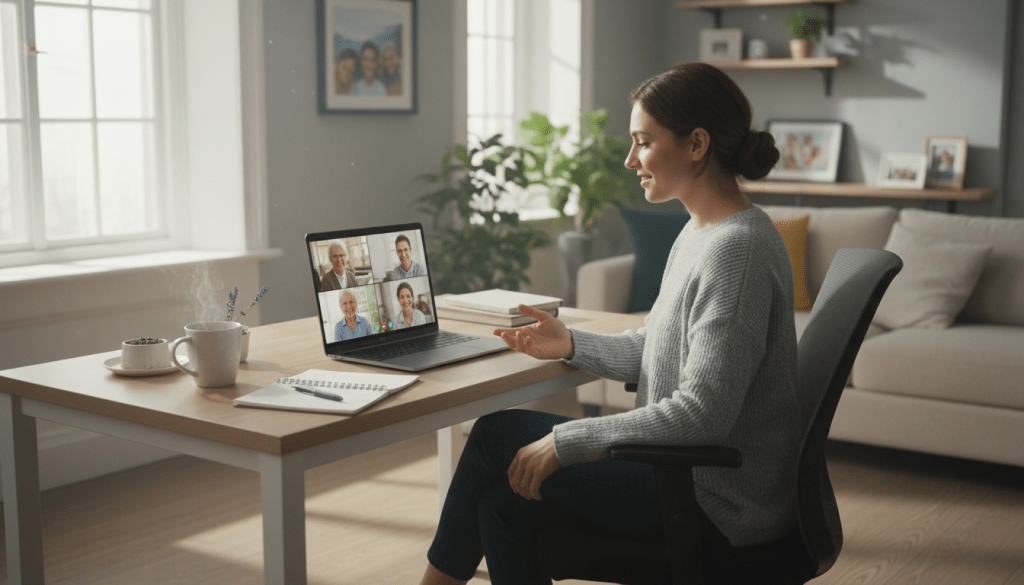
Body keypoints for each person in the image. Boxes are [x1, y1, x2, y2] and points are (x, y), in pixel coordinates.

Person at [418, 62, 801, 585]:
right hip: (683, 474)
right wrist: (571, 342)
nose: (630, 160)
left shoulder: (738, 251)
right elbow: (659, 348)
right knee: (500, 507)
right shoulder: (699, 233)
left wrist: (565, 441)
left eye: (643, 142)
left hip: (715, 498)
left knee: (495, 433)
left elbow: (702, 416)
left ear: (697, 144)